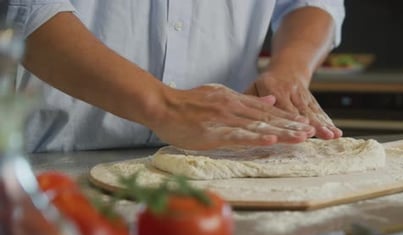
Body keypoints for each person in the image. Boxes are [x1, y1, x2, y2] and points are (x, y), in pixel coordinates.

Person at [7, 0, 345, 152]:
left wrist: (289, 71)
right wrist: (162, 105)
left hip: (220, 161)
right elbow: (26, 10)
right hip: (56, 159)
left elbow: (313, 2)